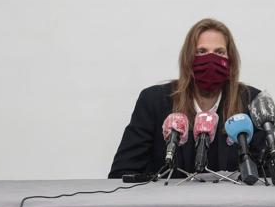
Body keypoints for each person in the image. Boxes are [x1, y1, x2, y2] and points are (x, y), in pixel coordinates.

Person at [108, 18, 266, 179]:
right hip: (168, 203)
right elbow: (121, 175)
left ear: (231, 61)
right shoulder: (154, 101)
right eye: (201, 51)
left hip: (230, 203)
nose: (211, 60)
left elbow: (266, 177)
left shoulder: (251, 102)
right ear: (187, 59)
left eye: (219, 52)